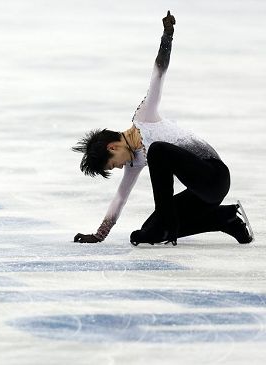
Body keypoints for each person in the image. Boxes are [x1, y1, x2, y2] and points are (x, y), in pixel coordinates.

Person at [72, 11, 253, 246]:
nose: (119, 167)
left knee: (158, 151)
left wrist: (167, 36)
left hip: (214, 177)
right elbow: (120, 197)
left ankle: (171, 221)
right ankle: (226, 218)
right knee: (146, 233)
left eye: (113, 163)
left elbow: (158, 74)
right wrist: (99, 235)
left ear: (113, 146)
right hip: (200, 195)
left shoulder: (144, 117)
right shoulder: (135, 162)